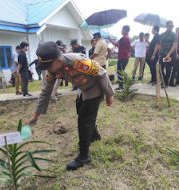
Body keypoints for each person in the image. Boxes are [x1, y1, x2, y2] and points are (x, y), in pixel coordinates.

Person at [27, 41, 115, 171]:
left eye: (48, 66)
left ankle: (83, 157)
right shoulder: (52, 70)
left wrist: (109, 95)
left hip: (94, 88)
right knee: (81, 111)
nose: (47, 70)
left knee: (84, 121)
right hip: (83, 90)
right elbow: (46, 92)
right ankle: (94, 135)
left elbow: (102, 73)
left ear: (58, 60)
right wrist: (36, 115)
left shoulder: (78, 62)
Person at [155, 20, 177, 88]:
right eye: (170, 26)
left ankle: (165, 83)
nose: (171, 27)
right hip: (162, 54)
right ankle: (164, 80)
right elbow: (160, 44)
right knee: (160, 68)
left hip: (169, 55)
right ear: (166, 26)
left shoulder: (174, 35)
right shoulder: (162, 35)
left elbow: (174, 45)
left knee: (168, 68)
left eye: (172, 26)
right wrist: (159, 53)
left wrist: (169, 54)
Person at [109, 25, 131, 90]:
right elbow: (119, 46)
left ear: (125, 30)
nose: (121, 31)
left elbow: (116, 44)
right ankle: (123, 84)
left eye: (122, 29)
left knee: (120, 71)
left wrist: (110, 39)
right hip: (125, 57)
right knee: (121, 71)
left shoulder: (124, 38)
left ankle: (122, 85)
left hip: (122, 57)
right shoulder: (128, 38)